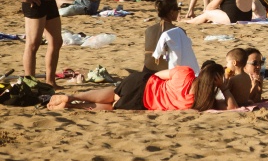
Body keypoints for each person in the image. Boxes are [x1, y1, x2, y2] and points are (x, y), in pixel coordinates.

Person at [45, 60, 228, 111]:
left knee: (114, 93)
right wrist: (225, 89)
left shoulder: (185, 72)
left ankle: (74, 97)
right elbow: (231, 107)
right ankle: (73, 105)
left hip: (143, 81)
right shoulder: (198, 102)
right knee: (112, 106)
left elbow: (157, 75)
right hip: (144, 102)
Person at [145, 0, 184, 71]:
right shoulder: (179, 31)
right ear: (172, 12)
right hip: (165, 70)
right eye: (178, 9)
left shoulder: (148, 30)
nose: (179, 12)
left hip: (147, 69)